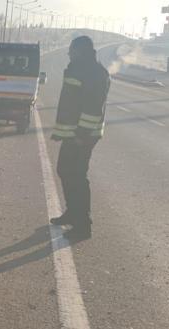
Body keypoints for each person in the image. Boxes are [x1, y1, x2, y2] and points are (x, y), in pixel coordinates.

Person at [50, 36, 110, 240]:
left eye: (71, 50)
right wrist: (62, 131)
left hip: (83, 135)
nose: (68, 53)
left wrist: (81, 135)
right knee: (65, 171)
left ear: (80, 51)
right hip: (74, 133)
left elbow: (93, 107)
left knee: (76, 176)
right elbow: (71, 103)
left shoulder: (93, 72)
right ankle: (73, 213)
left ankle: (83, 224)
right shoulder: (81, 68)